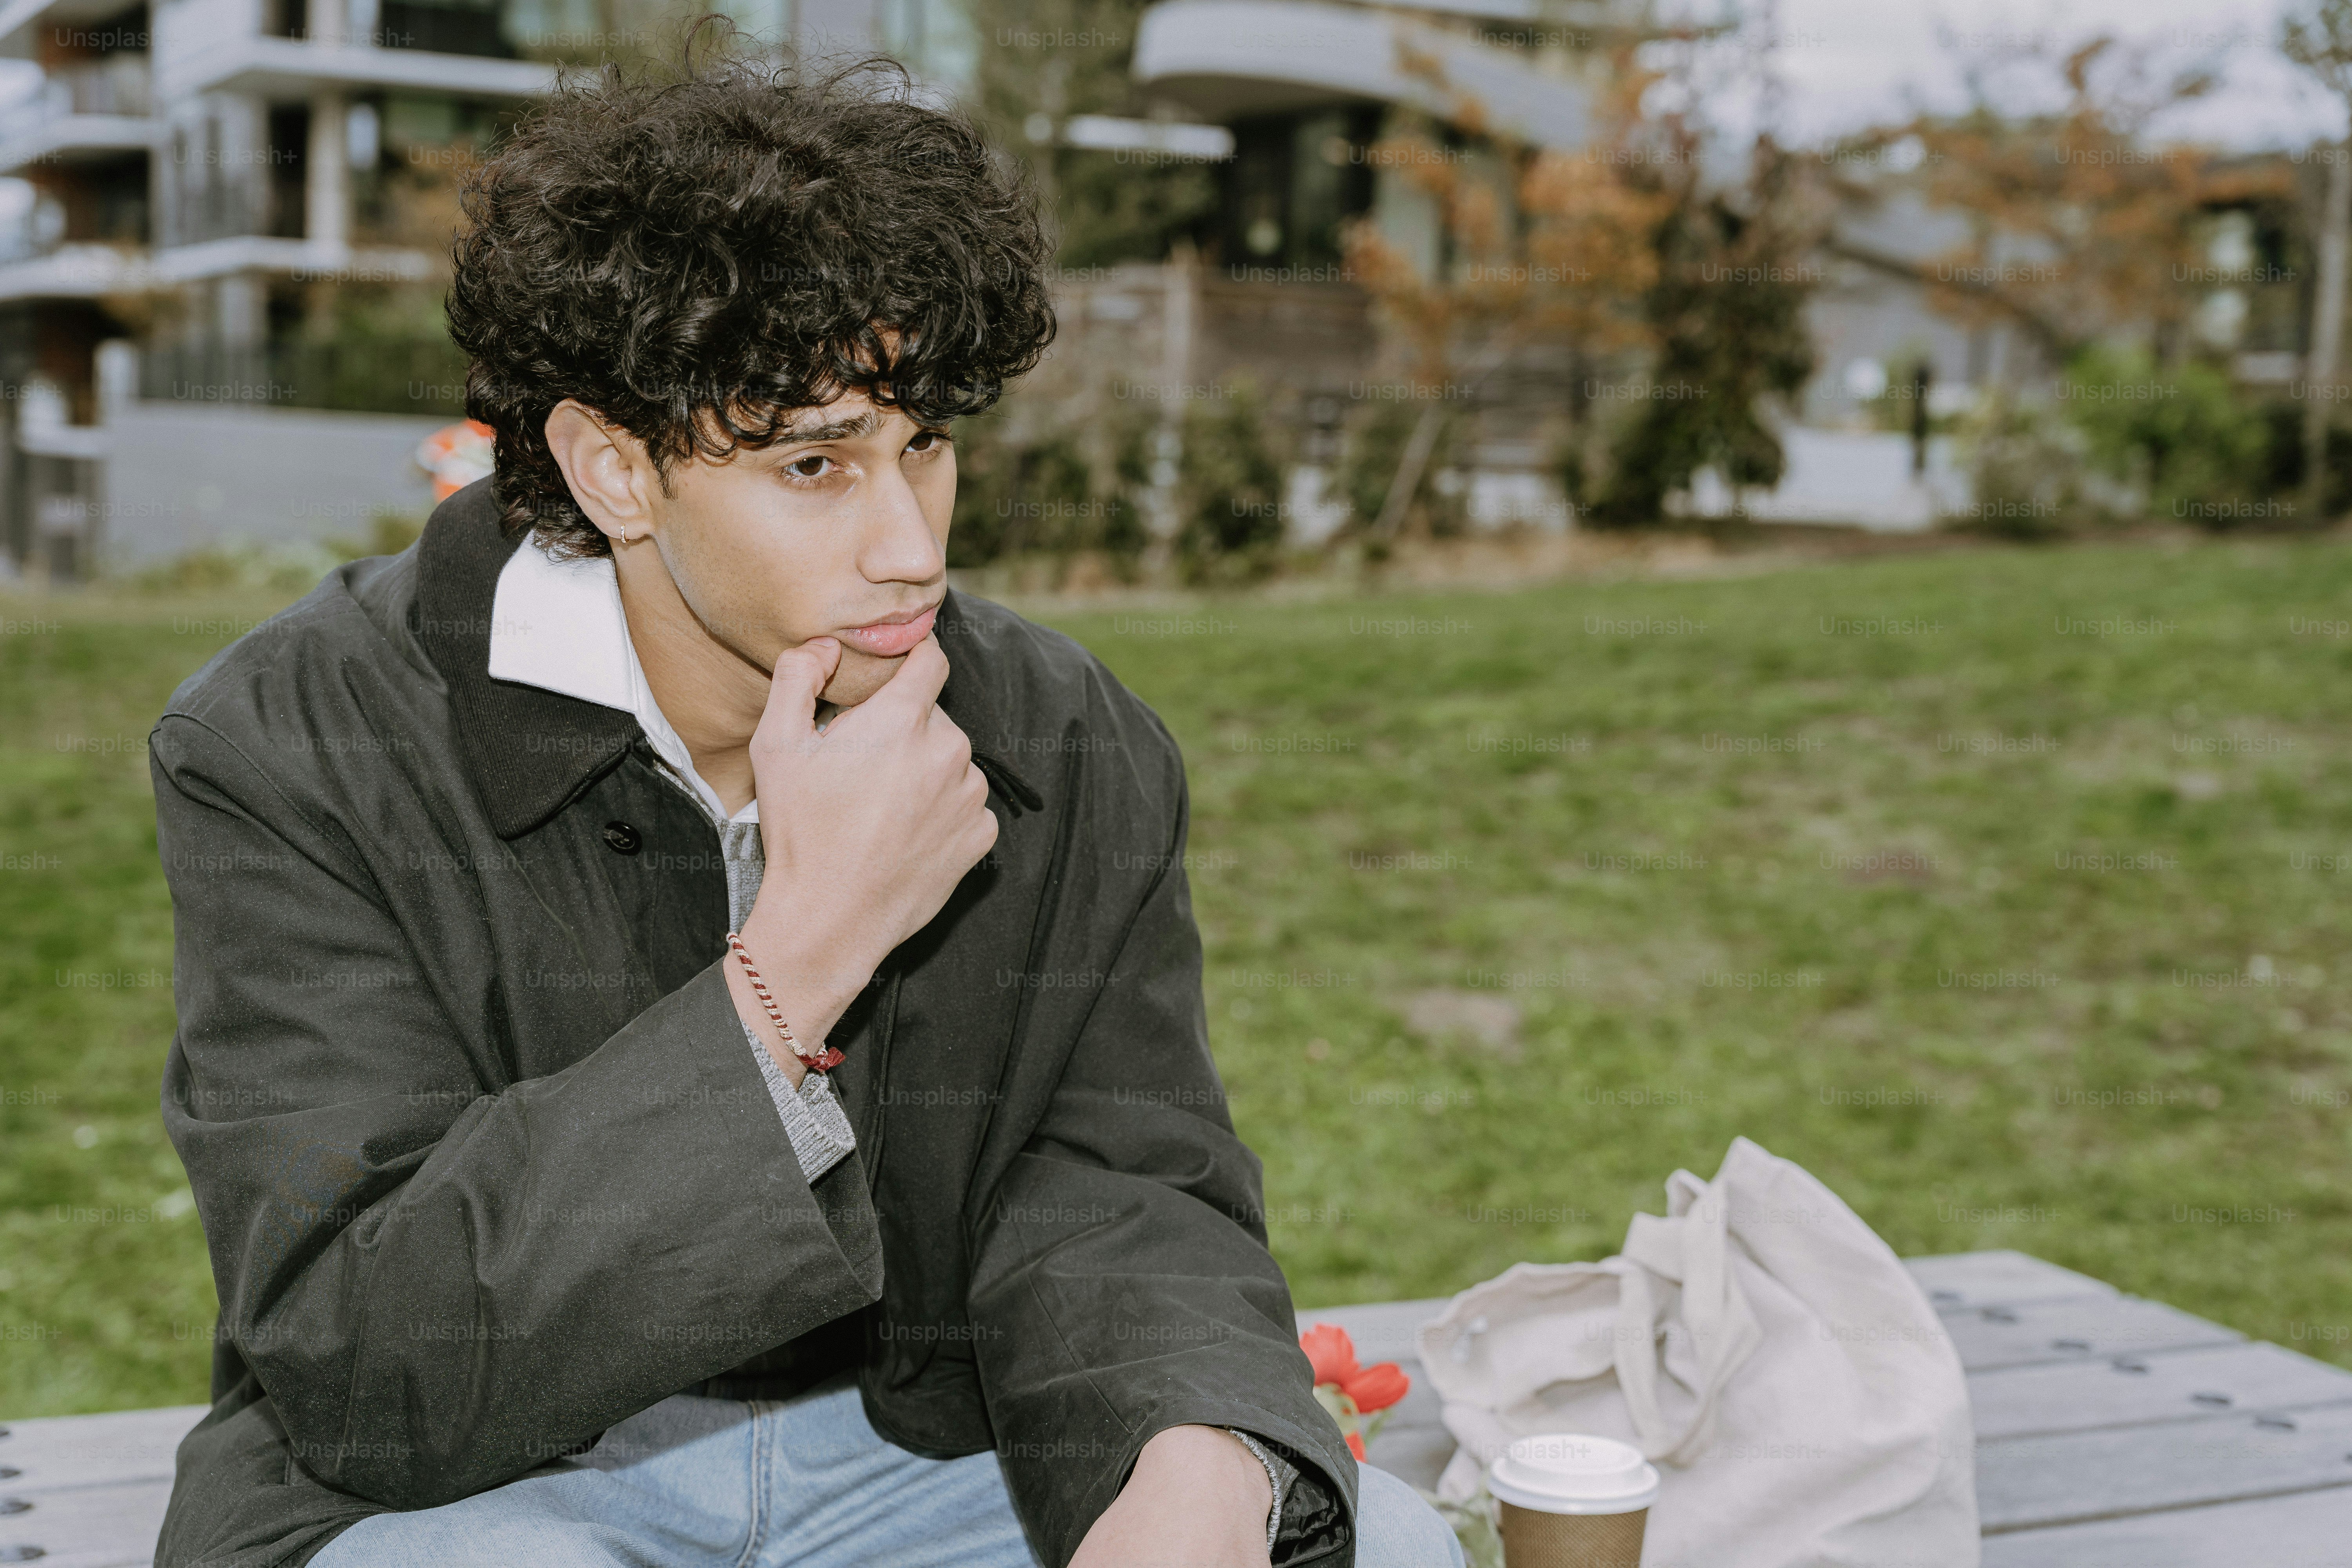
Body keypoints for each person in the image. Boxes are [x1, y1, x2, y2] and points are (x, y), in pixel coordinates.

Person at [148, 46, 1463, 1568]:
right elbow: (370, 1357)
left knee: (1375, 1546)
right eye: (817, 463)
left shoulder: (1067, 736)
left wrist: (1194, 1456)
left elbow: (1117, 1178)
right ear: (615, 470)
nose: (910, 546)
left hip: (930, 1451)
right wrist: (795, 969)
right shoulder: (294, 743)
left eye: (927, 447)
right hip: (489, 1487)